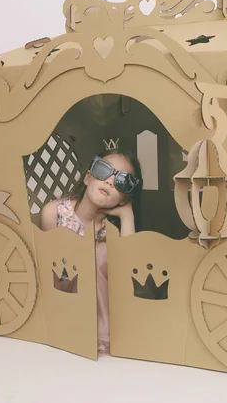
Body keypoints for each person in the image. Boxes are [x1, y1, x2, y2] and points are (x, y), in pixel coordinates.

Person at [40, 146, 143, 355]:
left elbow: (130, 268)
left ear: (124, 198)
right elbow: (49, 268)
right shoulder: (55, 213)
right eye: (104, 170)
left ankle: (106, 333)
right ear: (88, 177)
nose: (110, 181)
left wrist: (127, 215)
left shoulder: (112, 229)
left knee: (104, 254)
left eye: (122, 182)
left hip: (106, 309)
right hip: (65, 297)